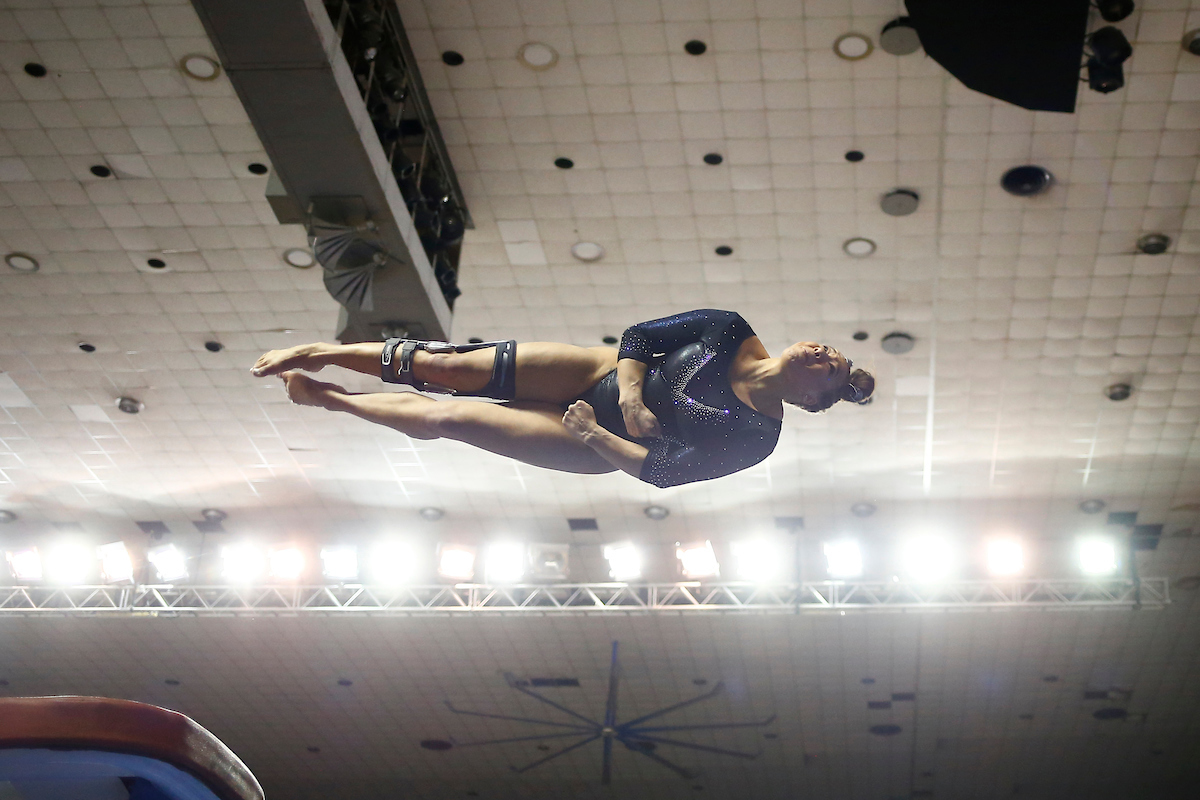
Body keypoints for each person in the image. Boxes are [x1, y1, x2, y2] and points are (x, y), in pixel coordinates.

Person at [252, 309, 874, 488]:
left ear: (813, 402)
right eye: (825, 347)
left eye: (830, 368)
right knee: (453, 369)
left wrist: (596, 435)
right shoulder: (729, 330)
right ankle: (320, 353)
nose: (821, 353)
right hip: (599, 376)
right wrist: (629, 396)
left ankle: (330, 400)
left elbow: (662, 471)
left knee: (449, 418)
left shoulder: (755, 438)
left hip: (591, 446)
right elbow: (639, 337)